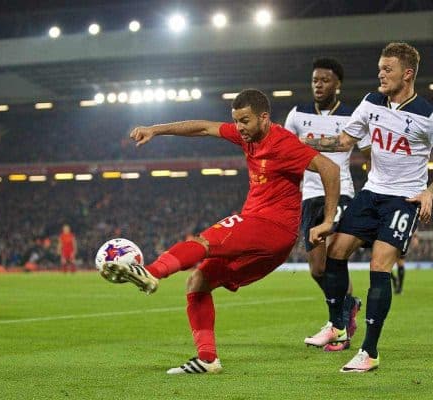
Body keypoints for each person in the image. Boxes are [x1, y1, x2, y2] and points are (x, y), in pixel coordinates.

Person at [102, 89, 340, 374]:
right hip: (272, 247)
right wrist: (156, 129)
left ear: (264, 118)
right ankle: (207, 359)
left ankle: (151, 271)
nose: (240, 127)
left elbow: (329, 168)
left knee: (205, 241)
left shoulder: (283, 143)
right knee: (199, 281)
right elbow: (203, 127)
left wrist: (328, 221)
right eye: (236, 121)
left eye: (245, 121)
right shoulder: (245, 136)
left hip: (270, 226)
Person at [303, 42, 433, 372]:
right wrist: (301, 145)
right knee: (335, 251)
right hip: (371, 192)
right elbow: (344, 141)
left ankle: (370, 352)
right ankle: (337, 325)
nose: (380, 74)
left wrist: (430, 192)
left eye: (387, 69)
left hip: (404, 200)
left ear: (408, 73)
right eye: (379, 68)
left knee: (378, 266)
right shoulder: (372, 102)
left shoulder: (430, 117)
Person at [284, 58, 369, 351]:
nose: (318, 85)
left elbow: (368, 152)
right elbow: (286, 154)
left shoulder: (353, 116)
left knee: (334, 256)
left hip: (342, 192)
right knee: (318, 270)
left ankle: (339, 326)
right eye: (315, 80)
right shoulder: (297, 115)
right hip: (310, 196)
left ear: (337, 84)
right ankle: (349, 305)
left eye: (324, 80)